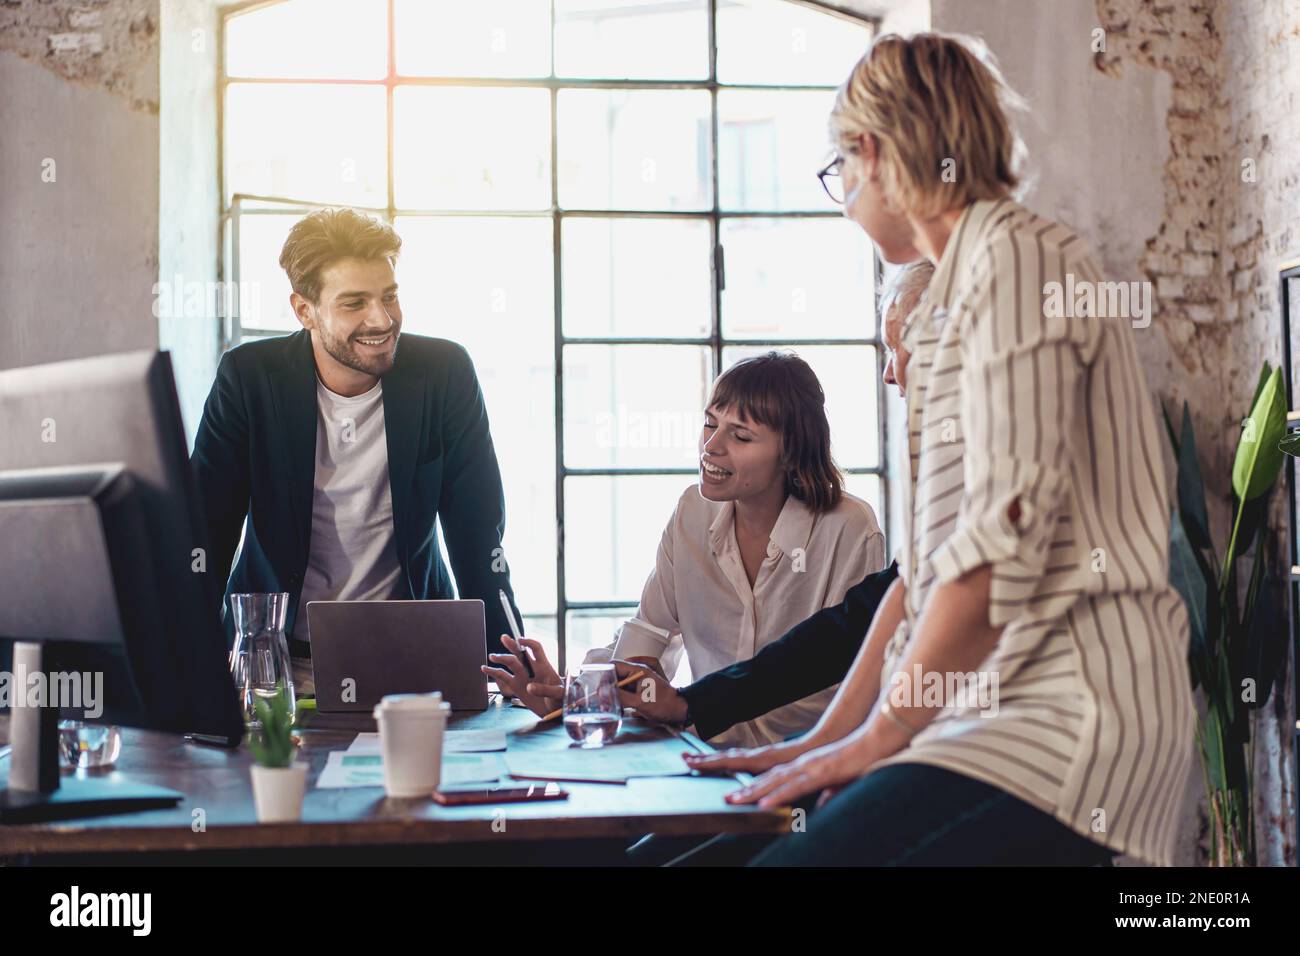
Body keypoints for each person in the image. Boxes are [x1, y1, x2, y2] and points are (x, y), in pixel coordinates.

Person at [679, 32, 1194, 867]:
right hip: (991, 719)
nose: (843, 196)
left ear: (875, 152)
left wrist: (875, 741)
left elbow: (996, 558)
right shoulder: (952, 293)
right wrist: (825, 743)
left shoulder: (1017, 259)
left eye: (840, 170)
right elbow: (923, 579)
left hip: (1068, 723)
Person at [192, 207, 522, 696]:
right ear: (304, 310)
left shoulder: (443, 373)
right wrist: (183, 661)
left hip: (416, 660)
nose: (382, 319)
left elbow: (477, 533)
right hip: (277, 666)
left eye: (389, 296)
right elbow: (207, 533)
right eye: (354, 303)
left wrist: (508, 663)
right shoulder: (249, 380)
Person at [486, 351, 886, 748]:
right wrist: (573, 692)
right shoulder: (692, 513)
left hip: (803, 759)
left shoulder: (849, 529)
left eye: (741, 436)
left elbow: (854, 668)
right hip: (699, 752)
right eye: (710, 424)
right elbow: (650, 635)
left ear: (792, 451)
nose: (711, 445)